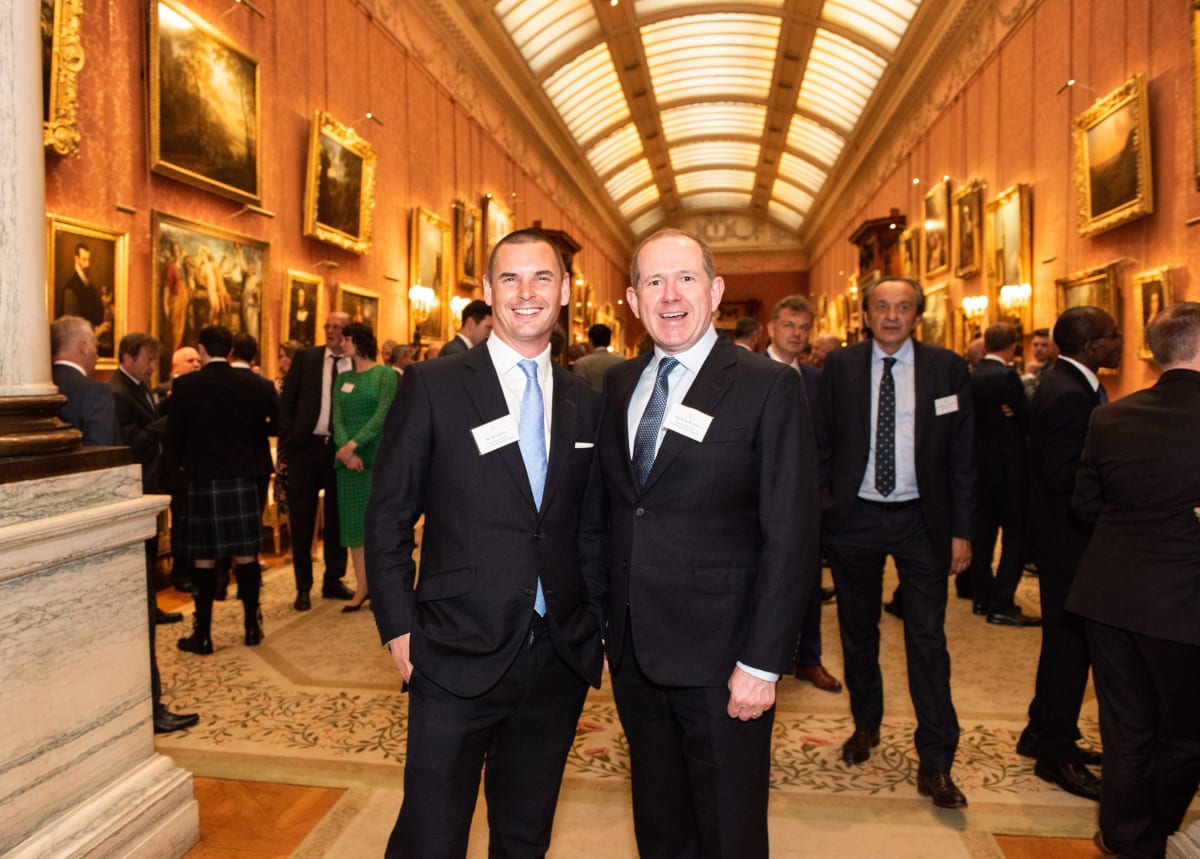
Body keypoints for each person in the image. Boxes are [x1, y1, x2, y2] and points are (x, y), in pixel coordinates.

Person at [365, 229, 605, 857]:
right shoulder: (434, 385)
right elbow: (388, 516)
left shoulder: (586, 402)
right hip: (453, 646)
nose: (527, 293)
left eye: (542, 278)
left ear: (565, 292)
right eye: (510, 279)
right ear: (487, 291)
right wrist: (398, 626)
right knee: (431, 835)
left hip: (557, 658)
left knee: (525, 835)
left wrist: (597, 627)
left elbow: (590, 527)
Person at [597, 229, 816, 857]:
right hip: (637, 654)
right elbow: (617, 513)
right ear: (633, 301)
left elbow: (791, 534)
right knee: (660, 825)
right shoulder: (618, 386)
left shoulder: (766, 387)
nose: (671, 295)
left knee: (728, 830)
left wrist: (764, 661)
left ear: (715, 291)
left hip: (726, 661)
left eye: (686, 279)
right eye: (654, 282)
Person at [815, 276, 975, 809]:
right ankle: (866, 726)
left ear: (916, 316)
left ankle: (937, 761)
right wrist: (822, 510)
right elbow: (818, 442)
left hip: (921, 522)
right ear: (865, 314)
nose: (891, 316)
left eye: (902, 307)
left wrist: (962, 530)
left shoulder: (947, 368)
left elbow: (962, 455)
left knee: (927, 641)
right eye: (881, 307)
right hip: (854, 519)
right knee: (858, 633)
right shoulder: (838, 367)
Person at [1068, 302, 1200, 857]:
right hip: (1182, 604)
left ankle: (1123, 837)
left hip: (1109, 596)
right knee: (1187, 735)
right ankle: (1150, 834)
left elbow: (1085, 505)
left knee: (1126, 729)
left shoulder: (1111, 416)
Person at [1017, 306, 1122, 801]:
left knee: (1065, 643)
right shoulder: (1068, 395)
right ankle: (1055, 753)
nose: (1119, 341)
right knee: (1068, 648)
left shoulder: (1064, 381)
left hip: (1062, 537)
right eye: (1113, 335)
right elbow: (1062, 474)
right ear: (1091, 344)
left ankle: (1040, 732)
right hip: (1068, 540)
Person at [108, 332, 199, 734]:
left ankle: (153, 606)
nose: (151, 366)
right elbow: (129, 440)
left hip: (154, 482)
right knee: (142, 557)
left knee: (148, 558)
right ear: (129, 357)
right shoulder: (116, 392)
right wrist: (164, 424)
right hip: (137, 482)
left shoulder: (139, 388)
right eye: (147, 358)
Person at [168, 326, 277, 654]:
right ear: (229, 351)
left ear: (202, 349)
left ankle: (202, 635)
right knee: (246, 555)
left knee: (203, 558)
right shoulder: (255, 384)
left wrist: (184, 468)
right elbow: (276, 421)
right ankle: (251, 627)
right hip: (242, 477)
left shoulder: (185, 386)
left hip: (202, 480)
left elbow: (175, 437)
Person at [763, 294, 841, 693]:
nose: (796, 333)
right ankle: (763, 660)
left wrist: (822, 494)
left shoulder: (815, 379)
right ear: (771, 329)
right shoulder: (747, 372)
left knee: (808, 582)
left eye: (803, 327)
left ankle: (808, 658)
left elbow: (828, 440)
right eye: (789, 325)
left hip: (808, 503)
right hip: (755, 503)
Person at [278, 312, 355, 610]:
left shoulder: (353, 362)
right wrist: (288, 439)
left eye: (337, 327)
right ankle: (303, 586)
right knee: (302, 519)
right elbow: (288, 400)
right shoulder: (306, 358)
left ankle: (333, 580)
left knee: (337, 518)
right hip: (305, 449)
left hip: (339, 451)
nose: (331, 332)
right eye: (328, 326)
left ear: (347, 334)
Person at [966, 322, 1039, 626]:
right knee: (1014, 539)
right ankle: (1002, 603)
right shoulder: (1006, 376)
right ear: (1013, 347)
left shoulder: (971, 375)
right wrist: (1015, 412)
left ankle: (981, 598)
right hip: (1009, 470)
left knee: (982, 538)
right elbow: (1027, 419)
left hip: (978, 470)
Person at [331, 322, 397, 612]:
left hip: (376, 462)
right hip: (349, 465)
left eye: (345, 339)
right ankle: (362, 588)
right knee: (354, 530)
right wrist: (345, 450)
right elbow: (337, 418)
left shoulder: (384, 375)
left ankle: (381, 589)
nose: (341, 343)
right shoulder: (342, 378)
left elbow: (383, 415)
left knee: (378, 529)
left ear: (359, 341)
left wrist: (354, 445)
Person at [50, 315, 117, 446]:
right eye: (95, 346)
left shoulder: (38, 388)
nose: (97, 355)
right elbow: (101, 451)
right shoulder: (95, 392)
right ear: (83, 348)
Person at [571, 323, 625, 390]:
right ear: (609, 340)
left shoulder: (581, 364)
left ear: (591, 340)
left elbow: (579, 390)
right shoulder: (623, 361)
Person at [1022, 327, 1057, 399]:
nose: (1039, 349)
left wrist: (1029, 375)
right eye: (1035, 345)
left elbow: (1035, 399)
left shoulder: (1053, 369)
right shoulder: (1040, 367)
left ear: (1053, 346)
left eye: (1044, 345)